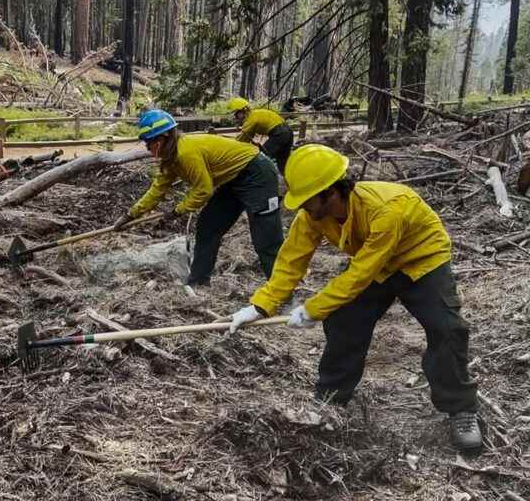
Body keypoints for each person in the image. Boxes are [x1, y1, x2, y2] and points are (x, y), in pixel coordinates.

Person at [228, 144, 482, 451]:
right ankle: (331, 401)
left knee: (447, 329)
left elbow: (360, 273)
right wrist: (260, 306)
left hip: (420, 259)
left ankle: (461, 408)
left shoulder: (387, 209)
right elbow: (291, 261)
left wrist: (313, 308)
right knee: (344, 320)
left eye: (307, 199)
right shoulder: (312, 215)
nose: (302, 207)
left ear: (332, 191)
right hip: (375, 263)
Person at [114, 109, 284, 286]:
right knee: (208, 227)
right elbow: (157, 189)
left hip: (257, 173)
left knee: (265, 237)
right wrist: (130, 215)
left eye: (150, 142)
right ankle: (198, 282)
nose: (148, 148)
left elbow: (204, 189)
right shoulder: (171, 158)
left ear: (163, 137)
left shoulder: (185, 153)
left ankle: (281, 290)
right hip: (232, 178)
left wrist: (177, 211)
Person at [228, 98, 294, 174]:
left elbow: (241, 140)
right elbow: (249, 136)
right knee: (283, 160)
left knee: (262, 157)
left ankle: (258, 177)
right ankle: (288, 179)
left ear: (243, 111)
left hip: (279, 133)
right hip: (288, 131)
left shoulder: (250, 120)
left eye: (237, 114)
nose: (236, 117)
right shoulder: (256, 114)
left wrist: (231, 149)